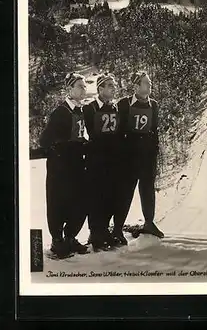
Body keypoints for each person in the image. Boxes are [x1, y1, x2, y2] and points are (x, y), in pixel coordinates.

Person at [39, 72, 89, 259]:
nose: (84, 89)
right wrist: (61, 150)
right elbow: (45, 140)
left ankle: (70, 237)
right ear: (69, 89)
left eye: (84, 86)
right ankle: (57, 240)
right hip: (60, 166)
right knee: (58, 202)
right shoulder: (60, 112)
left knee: (79, 201)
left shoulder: (80, 110)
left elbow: (77, 135)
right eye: (80, 86)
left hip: (76, 163)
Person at [116, 71, 164, 239]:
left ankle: (149, 223)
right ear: (136, 86)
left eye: (150, 82)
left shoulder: (154, 105)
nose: (149, 85)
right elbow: (118, 131)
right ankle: (117, 228)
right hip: (129, 157)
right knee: (125, 191)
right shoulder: (124, 104)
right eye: (145, 82)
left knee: (147, 189)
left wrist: (155, 151)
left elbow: (154, 130)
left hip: (148, 156)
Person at [83, 73, 127, 251]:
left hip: (113, 160)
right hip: (96, 159)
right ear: (100, 89)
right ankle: (95, 233)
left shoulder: (116, 108)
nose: (113, 88)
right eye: (109, 85)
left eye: (114, 85)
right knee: (96, 197)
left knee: (111, 196)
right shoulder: (90, 108)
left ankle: (105, 230)